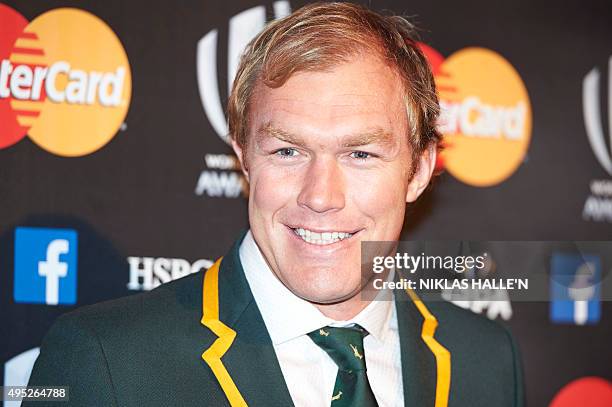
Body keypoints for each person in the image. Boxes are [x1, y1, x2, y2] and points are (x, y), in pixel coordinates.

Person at [26, 3, 524, 406]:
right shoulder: (107, 360)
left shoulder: (484, 359)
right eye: (288, 150)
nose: (321, 196)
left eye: (360, 153)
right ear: (244, 159)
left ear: (418, 169)